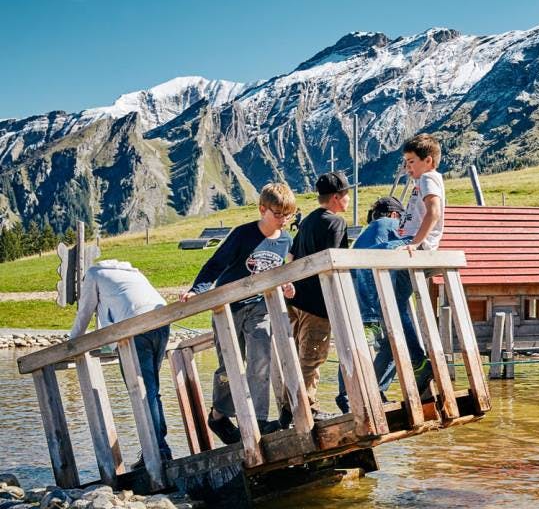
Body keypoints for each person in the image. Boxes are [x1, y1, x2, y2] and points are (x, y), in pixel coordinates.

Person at [181, 183, 297, 444]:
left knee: (260, 360)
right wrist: (197, 290)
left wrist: (286, 285)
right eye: (277, 214)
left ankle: (258, 420)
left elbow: (279, 272)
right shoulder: (242, 235)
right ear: (262, 210)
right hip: (228, 307)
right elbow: (215, 264)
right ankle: (219, 415)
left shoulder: (285, 240)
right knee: (229, 364)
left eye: (287, 215)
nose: (282, 220)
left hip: (260, 307)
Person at [336, 197, 433, 413]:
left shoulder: (366, 232)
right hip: (368, 295)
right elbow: (399, 251)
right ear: (395, 215)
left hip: (350, 290)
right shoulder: (388, 225)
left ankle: (357, 393)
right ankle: (359, 393)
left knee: (357, 345)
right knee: (386, 341)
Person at [70, 260, 172, 464]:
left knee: (142, 390)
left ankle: (156, 452)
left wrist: (72, 344)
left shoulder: (93, 274)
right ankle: (161, 448)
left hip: (135, 328)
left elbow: (85, 312)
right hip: (162, 321)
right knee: (153, 390)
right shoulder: (131, 272)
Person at [283, 172, 350, 420]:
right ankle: (305, 408)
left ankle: (287, 406)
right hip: (318, 302)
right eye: (346, 194)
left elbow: (290, 257)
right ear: (336, 197)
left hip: (295, 299)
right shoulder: (335, 223)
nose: (348, 199)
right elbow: (333, 260)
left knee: (294, 354)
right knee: (313, 356)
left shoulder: (308, 220)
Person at [400, 133, 445, 251]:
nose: (407, 167)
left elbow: (434, 212)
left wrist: (415, 243)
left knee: (371, 255)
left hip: (417, 242)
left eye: (411, 162)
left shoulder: (427, 178)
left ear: (428, 160)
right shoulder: (423, 180)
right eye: (406, 163)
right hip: (409, 238)